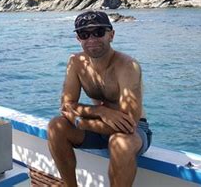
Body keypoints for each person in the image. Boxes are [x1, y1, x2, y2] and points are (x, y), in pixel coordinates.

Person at [47, 11, 152, 187]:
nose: (92, 39)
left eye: (98, 32)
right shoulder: (76, 62)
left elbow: (129, 124)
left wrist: (81, 122)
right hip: (99, 123)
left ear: (111, 35)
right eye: (84, 34)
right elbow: (66, 106)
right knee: (56, 126)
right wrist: (101, 112)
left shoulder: (127, 66)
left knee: (121, 143)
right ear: (78, 39)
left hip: (133, 130)